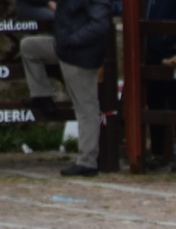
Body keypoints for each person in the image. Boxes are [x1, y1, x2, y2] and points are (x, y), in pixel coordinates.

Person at [21, 0, 112, 177]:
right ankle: (42, 96)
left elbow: (100, 25)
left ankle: (87, 162)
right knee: (29, 46)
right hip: (65, 46)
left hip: (80, 54)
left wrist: (71, 40)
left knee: (86, 109)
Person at [146, 0, 176, 168]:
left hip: (171, 54)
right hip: (149, 55)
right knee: (154, 104)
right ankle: (157, 153)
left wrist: (173, 44)